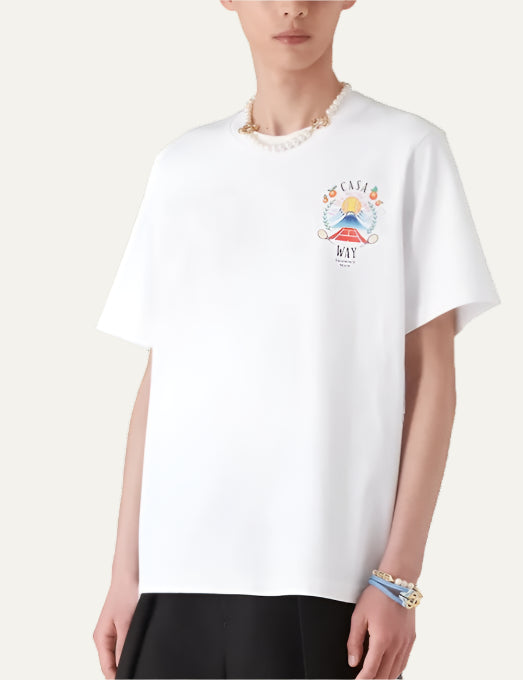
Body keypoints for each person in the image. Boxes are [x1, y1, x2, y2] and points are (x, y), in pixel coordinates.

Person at [92, 2, 501, 679]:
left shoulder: (405, 149)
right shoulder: (181, 166)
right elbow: (161, 379)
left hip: (322, 577)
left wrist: (397, 578)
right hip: (174, 579)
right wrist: (123, 572)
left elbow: (432, 378)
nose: (292, 7)